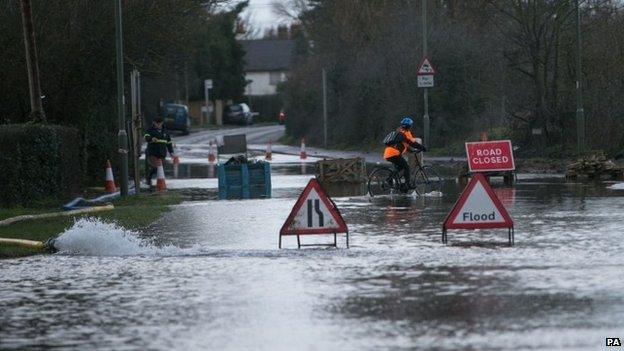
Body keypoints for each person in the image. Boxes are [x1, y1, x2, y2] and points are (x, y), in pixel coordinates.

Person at [383, 117, 427, 190]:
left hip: (388, 153)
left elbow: (405, 144)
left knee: (399, 168)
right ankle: (407, 184)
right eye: (411, 125)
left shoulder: (399, 132)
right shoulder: (405, 133)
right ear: (409, 126)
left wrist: (412, 151)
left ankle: (396, 184)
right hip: (394, 154)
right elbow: (413, 143)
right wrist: (423, 148)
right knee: (406, 167)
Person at [144, 117, 176, 186]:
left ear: (162, 123)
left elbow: (169, 143)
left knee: (161, 168)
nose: (158, 125)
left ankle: (160, 182)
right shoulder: (150, 130)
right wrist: (151, 139)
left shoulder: (166, 132)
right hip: (152, 153)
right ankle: (148, 178)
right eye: (156, 123)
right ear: (154, 123)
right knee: (155, 166)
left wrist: (171, 152)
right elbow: (146, 137)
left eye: (160, 123)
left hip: (162, 153)